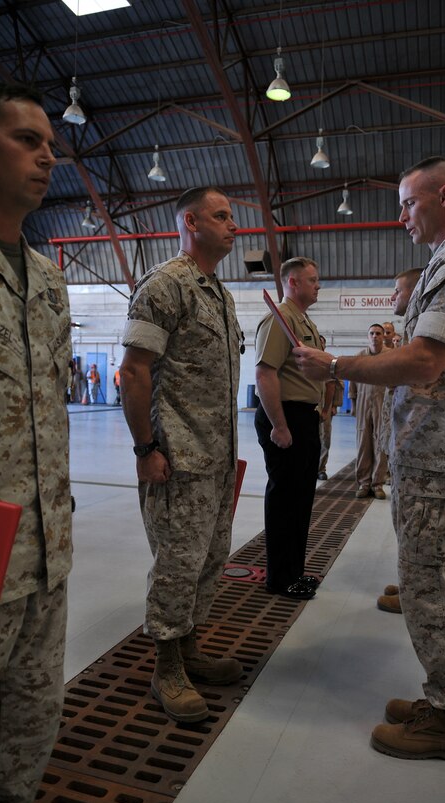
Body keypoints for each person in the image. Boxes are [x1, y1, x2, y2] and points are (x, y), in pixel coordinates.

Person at [293, 156, 445, 762]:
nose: (401, 216)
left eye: (409, 203)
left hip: (443, 452)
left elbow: (423, 361)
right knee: (441, 579)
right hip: (437, 451)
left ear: (444, 195)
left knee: (434, 585)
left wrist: (336, 365)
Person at [120, 186, 244, 724]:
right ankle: (166, 666)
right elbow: (135, 370)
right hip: (178, 458)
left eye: (233, 217)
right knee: (176, 565)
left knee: (210, 561)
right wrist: (146, 448)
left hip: (217, 459)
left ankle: (190, 651)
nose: (233, 225)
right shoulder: (165, 285)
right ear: (191, 223)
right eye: (221, 216)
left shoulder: (218, 291)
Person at [0, 82, 72, 803]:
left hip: (44, 552)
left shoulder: (46, 279)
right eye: (25, 140)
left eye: (50, 144)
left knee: (29, 731)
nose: (47, 156)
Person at [254, 257, 324, 600]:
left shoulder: (301, 321)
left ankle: (295, 571)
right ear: (293, 283)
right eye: (312, 280)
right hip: (285, 417)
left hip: (304, 417)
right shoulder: (277, 321)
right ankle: (280, 578)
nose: (318, 285)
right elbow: (265, 374)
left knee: (301, 500)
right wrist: (279, 426)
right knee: (285, 501)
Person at [376, 267, 423, 615]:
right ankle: (411, 584)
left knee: (419, 526)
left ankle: (418, 594)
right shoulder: (410, 331)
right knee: (406, 522)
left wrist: (336, 366)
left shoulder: (422, 332)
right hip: (405, 442)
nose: (393, 297)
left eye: (397, 290)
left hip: (422, 444)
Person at [348, 323, 389, 500]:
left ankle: (377, 483)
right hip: (364, 403)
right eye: (372, 333)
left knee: (381, 444)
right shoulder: (360, 358)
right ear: (367, 336)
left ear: (383, 336)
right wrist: (354, 406)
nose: (375, 336)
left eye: (378, 333)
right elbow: (352, 384)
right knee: (363, 443)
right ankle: (364, 483)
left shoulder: (391, 356)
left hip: (383, 404)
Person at [317, 335, 345, 481]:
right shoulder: (308, 360)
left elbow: (339, 385)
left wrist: (334, 406)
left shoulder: (331, 362)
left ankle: (321, 468)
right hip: (311, 405)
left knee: (325, 438)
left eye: (322, 343)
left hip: (326, 407)